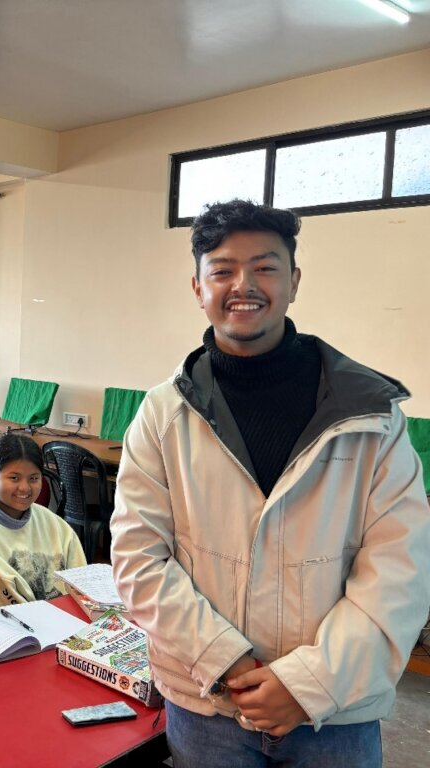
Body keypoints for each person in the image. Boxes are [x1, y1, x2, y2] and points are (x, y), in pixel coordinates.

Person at [109, 199, 430, 767]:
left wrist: (307, 685)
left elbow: (401, 570)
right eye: (223, 270)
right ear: (198, 286)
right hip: (209, 704)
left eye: (264, 267)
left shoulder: (371, 414)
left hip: (337, 713)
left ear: (294, 280)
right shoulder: (163, 414)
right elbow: (138, 559)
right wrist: (228, 662)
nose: (243, 285)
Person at [0, 433, 86, 607]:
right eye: (14, 478)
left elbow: (82, 581)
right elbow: (9, 605)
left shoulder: (53, 522)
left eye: (34, 478)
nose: (24, 488)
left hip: (70, 616)